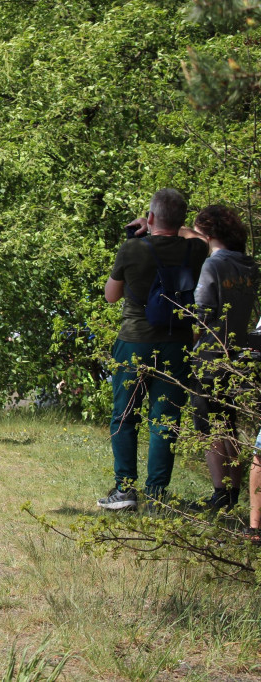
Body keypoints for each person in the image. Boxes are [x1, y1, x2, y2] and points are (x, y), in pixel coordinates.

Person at [98, 189, 209, 510]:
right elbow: (198, 235)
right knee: (165, 419)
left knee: (124, 414)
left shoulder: (132, 248)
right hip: (177, 343)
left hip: (135, 341)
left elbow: (111, 296)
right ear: (181, 220)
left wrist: (145, 229)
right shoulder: (194, 250)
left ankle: (125, 490)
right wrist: (177, 227)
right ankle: (157, 495)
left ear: (149, 218)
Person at [187, 206, 258, 511]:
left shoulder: (212, 265)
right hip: (239, 351)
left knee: (207, 425)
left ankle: (220, 492)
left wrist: (187, 347)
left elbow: (201, 313)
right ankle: (232, 490)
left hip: (210, 351)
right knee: (228, 422)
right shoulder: (249, 266)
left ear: (208, 232)